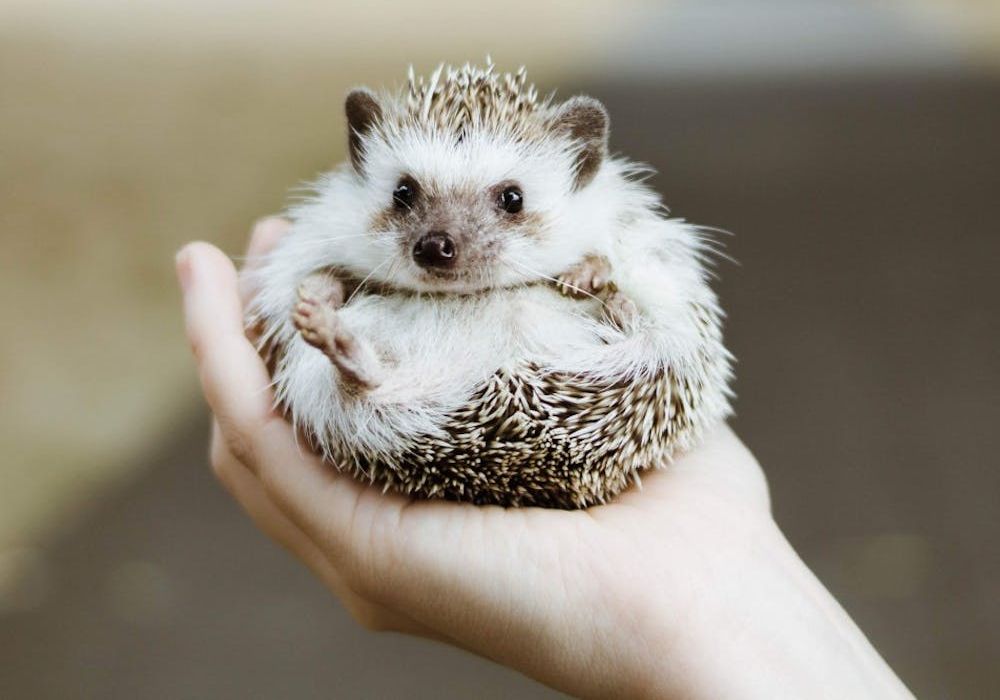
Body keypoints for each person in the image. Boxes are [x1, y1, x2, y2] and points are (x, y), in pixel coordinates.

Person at [175, 218, 915, 699]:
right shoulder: (353, 234)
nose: (445, 238)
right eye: (409, 197)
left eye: (505, 200)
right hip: (434, 375)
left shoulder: (602, 226)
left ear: (580, 162)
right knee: (344, 341)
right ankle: (366, 369)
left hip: (528, 358)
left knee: (628, 299)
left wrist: (606, 284)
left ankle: (369, 369)